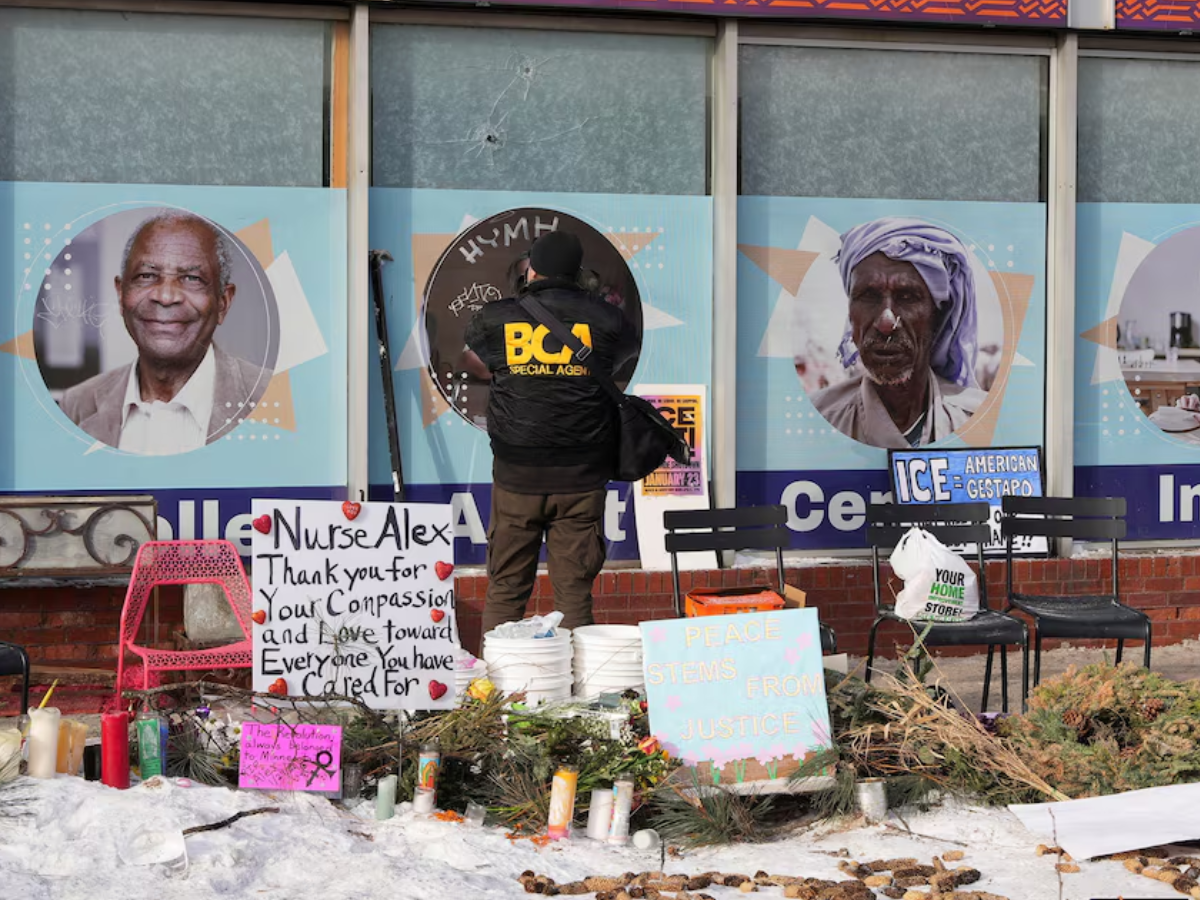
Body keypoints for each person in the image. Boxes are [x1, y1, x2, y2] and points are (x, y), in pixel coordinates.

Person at [464, 230, 639, 635]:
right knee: (575, 594)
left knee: (506, 588)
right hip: (581, 478)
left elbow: (478, 355)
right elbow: (621, 356)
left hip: (515, 478)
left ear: (532, 270)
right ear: (579, 274)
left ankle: (497, 690)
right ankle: (577, 690)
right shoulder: (608, 319)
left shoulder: (496, 317)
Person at [59, 211, 271, 454]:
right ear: (120, 294)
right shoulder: (77, 406)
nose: (166, 296)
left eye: (192, 278)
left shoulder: (272, 399)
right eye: (146, 276)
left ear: (223, 302)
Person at [811, 218, 986, 448]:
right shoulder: (817, 421)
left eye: (907, 297)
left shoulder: (980, 420)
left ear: (938, 316)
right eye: (868, 296)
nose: (886, 322)